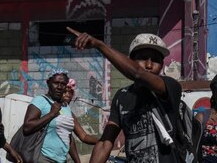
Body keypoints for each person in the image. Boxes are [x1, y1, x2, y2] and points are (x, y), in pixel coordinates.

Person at [69, 28, 184, 163]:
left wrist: (99, 45)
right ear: (131, 60)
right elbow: (105, 143)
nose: (148, 65)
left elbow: (138, 73)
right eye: (142, 58)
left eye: (155, 60)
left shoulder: (169, 87)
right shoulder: (122, 97)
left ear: (162, 65)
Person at [20, 70, 93, 163]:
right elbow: (27, 127)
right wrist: (52, 114)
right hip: (43, 157)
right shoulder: (40, 101)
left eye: (63, 84)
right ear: (48, 83)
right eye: (56, 83)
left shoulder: (66, 107)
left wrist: (102, 141)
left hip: (62, 160)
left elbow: (68, 137)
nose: (59, 87)